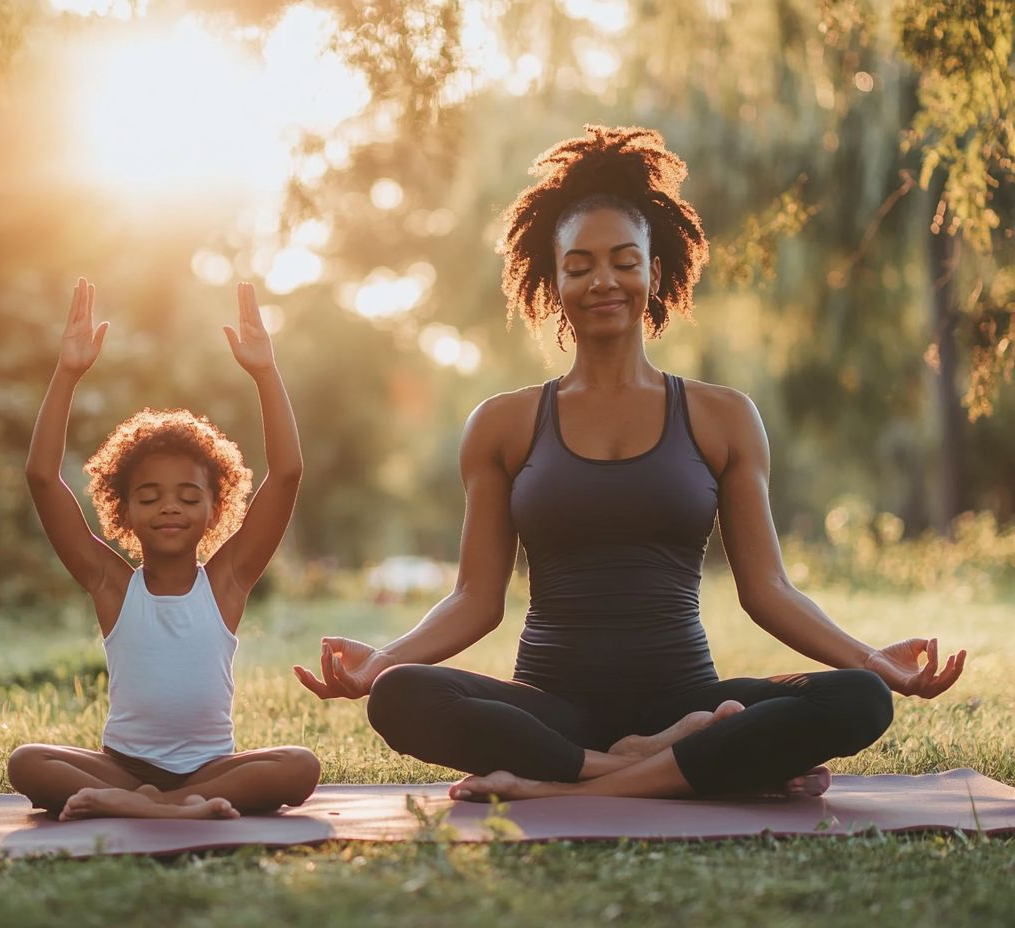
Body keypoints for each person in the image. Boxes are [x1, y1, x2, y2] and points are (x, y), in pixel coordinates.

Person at [294, 125, 966, 803]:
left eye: (624, 260)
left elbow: (768, 591)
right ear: (551, 280)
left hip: (687, 696)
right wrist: (381, 663)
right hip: (552, 706)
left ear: (655, 268)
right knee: (401, 694)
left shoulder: (721, 416)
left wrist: (875, 662)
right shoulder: (504, 424)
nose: (602, 280)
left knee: (860, 699)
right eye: (579, 265)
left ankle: (563, 786)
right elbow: (476, 599)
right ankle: (665, 766)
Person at [8, 278, 319, 820]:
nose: (169, 507)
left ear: (214, 509)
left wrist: (266, 372)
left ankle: (147, 807)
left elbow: (287, 474)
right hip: (122, 766)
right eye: (149, 496)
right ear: (124, 510)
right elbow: (41, 478)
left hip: (210, 770)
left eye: (187, 495)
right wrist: (66, 373)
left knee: (300, 765)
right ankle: (166, 804)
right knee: (26, 761)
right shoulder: (111, 584)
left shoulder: (227, 581)